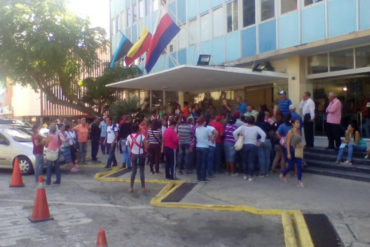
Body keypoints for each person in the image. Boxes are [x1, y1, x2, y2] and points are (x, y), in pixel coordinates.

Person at [233, 116, 266, 182]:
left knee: (244, 160)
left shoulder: (243, 127)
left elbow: (234, 133)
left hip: (244, 145)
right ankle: (250, 175)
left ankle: (245, 175)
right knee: (251, 161)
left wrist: (237, 139)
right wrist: (260, 141)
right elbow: (264, 134)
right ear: (254, 121)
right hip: (253, 145)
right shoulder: (256, 128)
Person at [280, 119, 304, 188]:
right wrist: (288, 153)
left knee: (299, 165)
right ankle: (283, 174)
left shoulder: (299, 131)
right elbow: (288, 143)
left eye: (299, 123)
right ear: (293, 124)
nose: (298, 124)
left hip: (298, 149)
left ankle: (299, 181)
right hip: (291, 149)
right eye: (297, 123)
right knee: (291, 165)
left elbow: (298, 140)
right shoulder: (291, 132)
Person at [126, 124, 149, 193]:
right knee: (141, 171)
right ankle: (143, 188)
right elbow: (146, 147)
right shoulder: (142, 137)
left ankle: (131, 187)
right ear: (138, 129)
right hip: (141, 155)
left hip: (133, 155)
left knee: (133, 171)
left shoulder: (129, 136)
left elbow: (128, 145)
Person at [195, 117, 213, 182]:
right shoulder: (206, 129)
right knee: (204, 163)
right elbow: (210, 138)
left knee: (199, 162)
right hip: (205, 147)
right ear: (203, 122)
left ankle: (198, 176)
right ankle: (203, 177)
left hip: (198, 146)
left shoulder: (196, 129)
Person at [256, 112, 272, 177]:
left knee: (261, 157)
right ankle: (267, 172)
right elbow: (271, 130)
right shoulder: (267, 123)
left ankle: (262, 172)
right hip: (267, 140)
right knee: (267, 157)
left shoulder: (256, 124)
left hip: (260, 140)